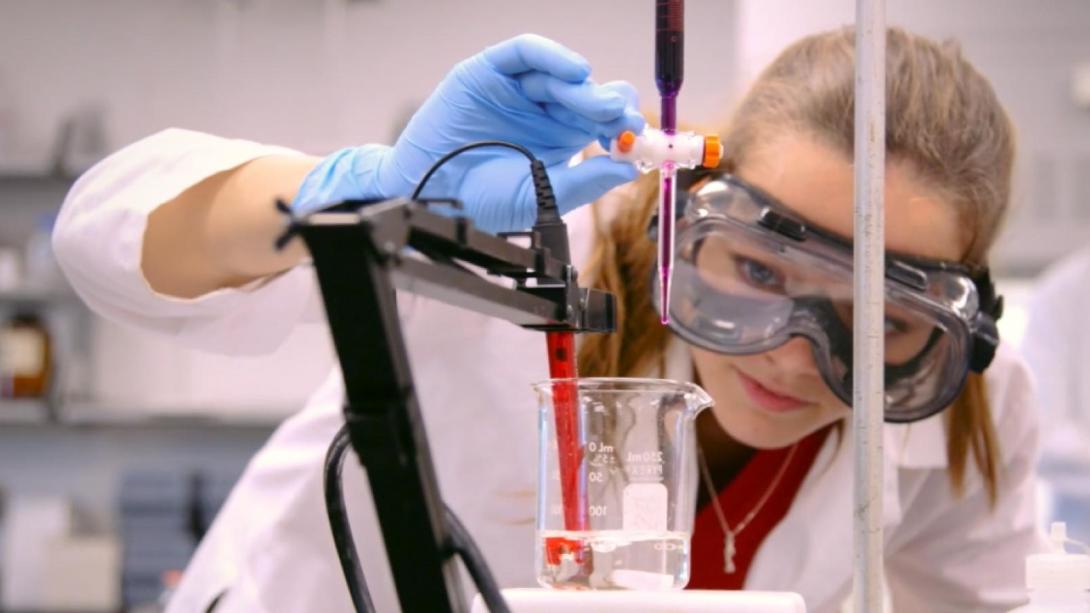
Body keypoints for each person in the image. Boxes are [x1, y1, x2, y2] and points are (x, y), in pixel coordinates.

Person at [53, 29, 1045, 613]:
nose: (794, 351)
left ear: (950, 326)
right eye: (756, 267)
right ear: (686, 215)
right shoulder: (530, 241)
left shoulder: (969, 405)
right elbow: (103, 235)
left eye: (876, 321)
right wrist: (363, 189)